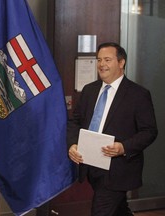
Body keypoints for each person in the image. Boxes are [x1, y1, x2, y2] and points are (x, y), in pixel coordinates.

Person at [67, 42, 158, 216]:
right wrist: (72, 145)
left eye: (107, 60)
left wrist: (123, 147)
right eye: (99, 60)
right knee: (119, 210)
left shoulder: (138, 94)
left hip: (118, 168)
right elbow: (74, 122)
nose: (102, 64)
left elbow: (149, 131)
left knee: (101, 210)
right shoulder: (89, 90)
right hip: (90, 164)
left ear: (121, 62)